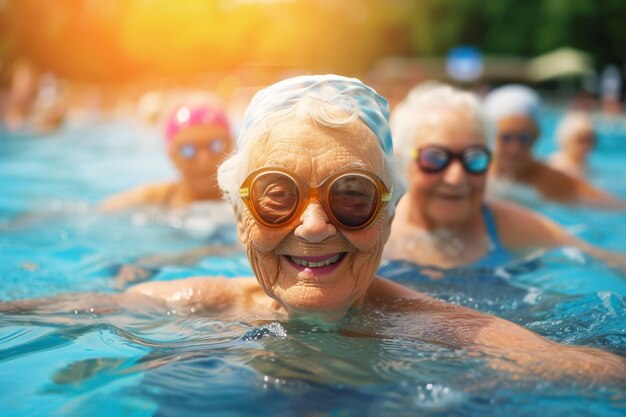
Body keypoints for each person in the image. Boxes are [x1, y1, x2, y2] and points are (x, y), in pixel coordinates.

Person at [3, 75, 625, 381]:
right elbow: (40, 311)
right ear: (239, 213)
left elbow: (575, 370)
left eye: (351, 196)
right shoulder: (197, 303)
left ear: (386, 213)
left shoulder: (451, 335)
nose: (314, 225)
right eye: (277, 195)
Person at [385, 82, 626, 270]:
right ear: (403, 161)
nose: (457, 178)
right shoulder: (376, 233)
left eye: (474, 158)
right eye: (434, 158)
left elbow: (603, 259)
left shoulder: (507, 225)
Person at [483, 84, 623, 209]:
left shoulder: (553, 182)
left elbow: (616, 207)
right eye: (506, 138)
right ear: (489, 136)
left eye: (524, 138)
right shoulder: (477, 176)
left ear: (537, 136)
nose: (515, 147)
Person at [101, 104, 234, 211]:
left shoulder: (245, 198)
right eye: (189, 150)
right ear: (171, 154)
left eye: (215, 146)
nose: (204, 158)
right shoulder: (154, 197)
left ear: (231, 146)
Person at [547, 111, 596, 178]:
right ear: (566, 140)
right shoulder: (554, 165)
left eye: (590, 140)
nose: (586, 145)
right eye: (581, 140)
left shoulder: (584, 165)